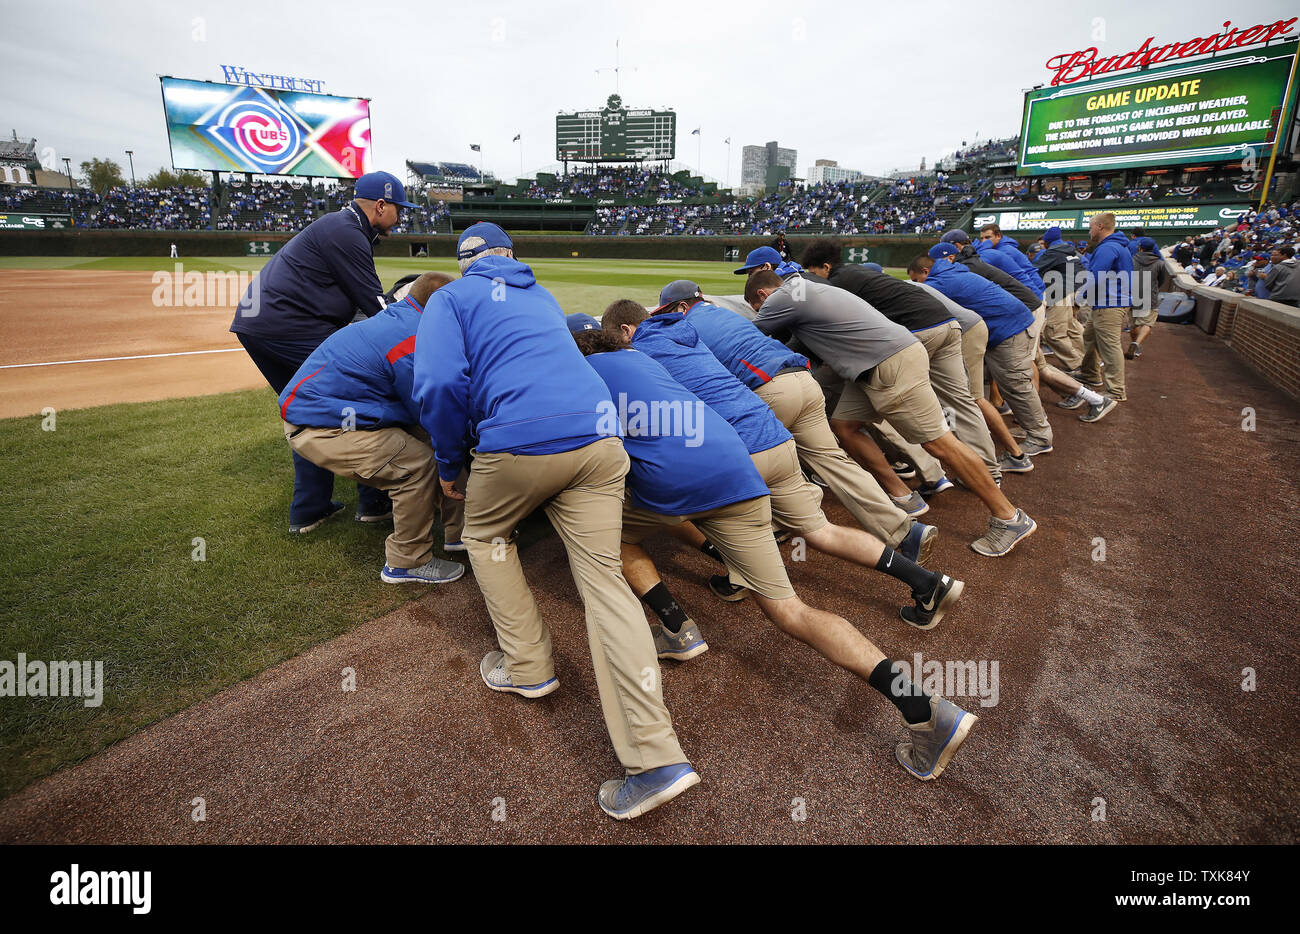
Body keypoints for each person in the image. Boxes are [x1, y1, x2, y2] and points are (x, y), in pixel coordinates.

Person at [574, 329, 979, 782]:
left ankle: (676, 624)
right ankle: (921, 707)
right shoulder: (646, 359)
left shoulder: (581, 373)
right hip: (739, 470)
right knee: (791, 610)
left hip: (688, 485)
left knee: (614, 535)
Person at [411, 222, 697, 821]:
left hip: (520, 443)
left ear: (464, 262)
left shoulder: (451, 297)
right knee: (605, 584)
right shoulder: (539, 295)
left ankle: (529, 666)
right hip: (599, 441)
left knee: (485, 536)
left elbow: (438, 383)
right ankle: (657, 758)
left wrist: (448, 460)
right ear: (510, 256)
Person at [605, 289, 961, 623]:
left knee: (703, 507)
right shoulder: (688, 332)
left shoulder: (640, 353)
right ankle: (927, 581)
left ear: (626, 331)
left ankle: (732, 582)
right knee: (820, 529)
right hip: (774, 432)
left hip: (742, 447)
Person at [745, 270, 1037, 557]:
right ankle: (903, 497)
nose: (761, 311)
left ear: (762, 295)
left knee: (939, 443)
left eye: (757, 306)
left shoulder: (781, 298)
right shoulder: (808, 288)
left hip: (888, 363)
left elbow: (750, 337)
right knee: (845, 426)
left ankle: (1008, 517)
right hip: (880, 361)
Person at [231, 170, 416, 534]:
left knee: (309, 410)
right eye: (399, 208)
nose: (402, 215)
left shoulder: (343, 226)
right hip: (287, 328)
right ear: (380, 206)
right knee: (367, 389)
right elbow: (377, 307)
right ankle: (373, 502)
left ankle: (310, 510)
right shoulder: (346, 231)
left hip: (266, 328)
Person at [278, 273, 466, 584]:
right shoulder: (413, 339)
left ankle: (460, 533)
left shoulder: (405, 319)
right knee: (417, 463)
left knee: (439, 444)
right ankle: (407, 562)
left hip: (335, 414)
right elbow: (429, 410)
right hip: (318, 427)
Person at [800, 239, 1000, 488]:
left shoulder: (837, 283)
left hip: (916, 332)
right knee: (960, 401)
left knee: (887, 404)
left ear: (825, 267)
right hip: (947, 324)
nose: (811, 278)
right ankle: (989, 470)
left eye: (812, 272)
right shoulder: (856, 273)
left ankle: (925, 471)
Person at [1077, 211, 1132, 413]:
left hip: (1110, 303)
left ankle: (1116, 391)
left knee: (1110, 347)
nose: (1090, 231)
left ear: (1100, 226)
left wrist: (1079, 298)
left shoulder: (1108, 247)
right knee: (1089, 336)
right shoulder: (1113, 246)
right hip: (1106, 302)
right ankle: (1090, 373)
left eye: (1091, 226)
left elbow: (1095, 277)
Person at [1032, 227, 1087, 372]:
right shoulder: (1071, 251)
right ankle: (1090, 360)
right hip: (1079, 290)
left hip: (1064, 293)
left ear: (1048, 242)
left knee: (1053, 334)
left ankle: (1077, 364)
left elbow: (1034, 271)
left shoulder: (1053, 252)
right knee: (1072, 327)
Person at [1128, 238, 1167, 358]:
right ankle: (1137, 343)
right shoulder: (1159, 263)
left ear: (1140, 247)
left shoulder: (1131, 259)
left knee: (1134, 324)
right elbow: (1162, 280)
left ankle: (1133, 344)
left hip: (1133, 295)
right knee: (1148, 323)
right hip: (1150, 296)